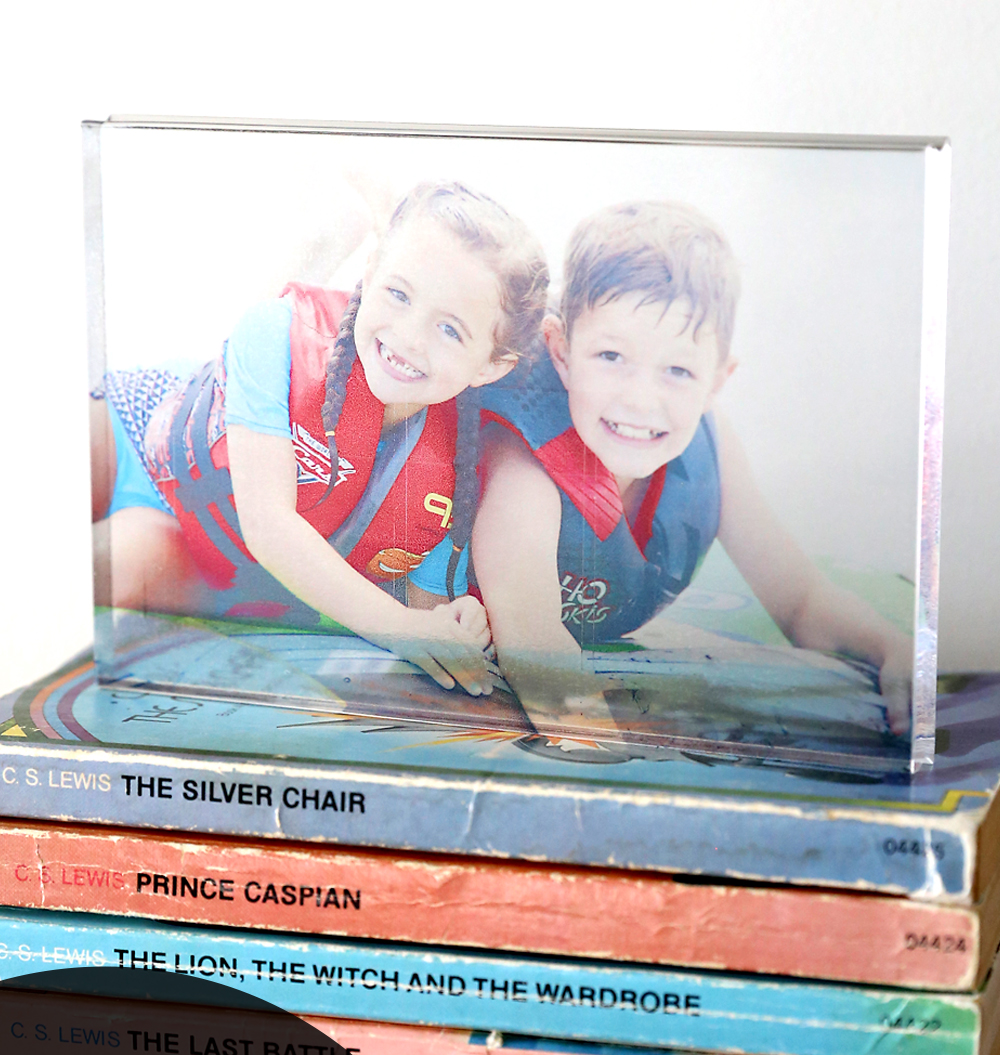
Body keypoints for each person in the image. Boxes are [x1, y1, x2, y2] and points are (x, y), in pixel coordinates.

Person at [412, 199, 913, 738]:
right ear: (561, 350)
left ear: (717, 380)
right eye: (611, 357)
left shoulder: (710, 448)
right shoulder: (524, 464)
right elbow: (534, 647)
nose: (640, 401)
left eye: (677, 369)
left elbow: (802, 600)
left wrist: (894, 648)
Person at [91, 181, 548, 697]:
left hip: (200, 550)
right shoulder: (274, 331)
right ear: (370, 274)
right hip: (145, 425)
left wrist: (456, 627)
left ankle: (349, 226)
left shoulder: (460, 467)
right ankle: (338, 225)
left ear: (492, 365)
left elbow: (427, 614)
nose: (409, 336)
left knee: (109, 567)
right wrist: (402, 631)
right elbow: (270, 524)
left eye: (451, 330)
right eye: (398, 294)